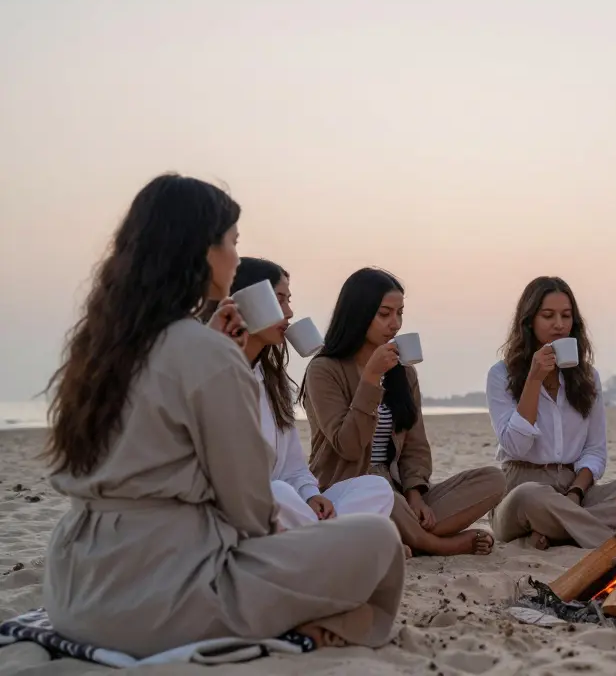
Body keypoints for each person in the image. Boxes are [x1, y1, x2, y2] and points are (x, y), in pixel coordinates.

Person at [41, 174, 404, 656]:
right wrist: (222, 360)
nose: (236, 256)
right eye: (232, 242)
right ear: (202, 252)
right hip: (159, 598)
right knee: (377, 538)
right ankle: (320, 629)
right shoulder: (207, 354)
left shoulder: (100, 350)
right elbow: (250, 509)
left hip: (72, 589)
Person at [301, 268, 505, 556]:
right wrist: (370, 379)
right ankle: (434, 544)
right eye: (385, 314)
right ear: (358, 313)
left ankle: (401, 535)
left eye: (399, 313)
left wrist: (416, 495)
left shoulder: (403, 373)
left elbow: (415, 445)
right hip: (348, 490)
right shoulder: (324, 369)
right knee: (383, 494)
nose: (394, 324)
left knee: (492, 479)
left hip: (397, 491)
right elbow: (347, 445)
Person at [230, 258, 396, 532]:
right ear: (246, 302)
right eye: (279, 300)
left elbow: (294, 465)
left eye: (288, 300)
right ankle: (327, 544)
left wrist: (310, 495)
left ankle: (318, 542)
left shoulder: (274, 381)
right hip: (246, 510)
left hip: (287, 512)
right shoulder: (214, 373)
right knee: (278, 494)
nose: (289, 312)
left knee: (375, 488)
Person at [486, 276, 616, 549]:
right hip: (522, 489)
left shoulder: (587, 377)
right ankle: (614, 545)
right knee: (531, 497)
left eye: (566, 316)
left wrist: (576, 493)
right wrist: (533, 380)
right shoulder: (501, 375)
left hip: (575, 490)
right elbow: (516, 446)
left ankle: (555, 531)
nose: (559, 324)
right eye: (548, 316)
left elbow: (595, 451)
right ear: (529, 321)